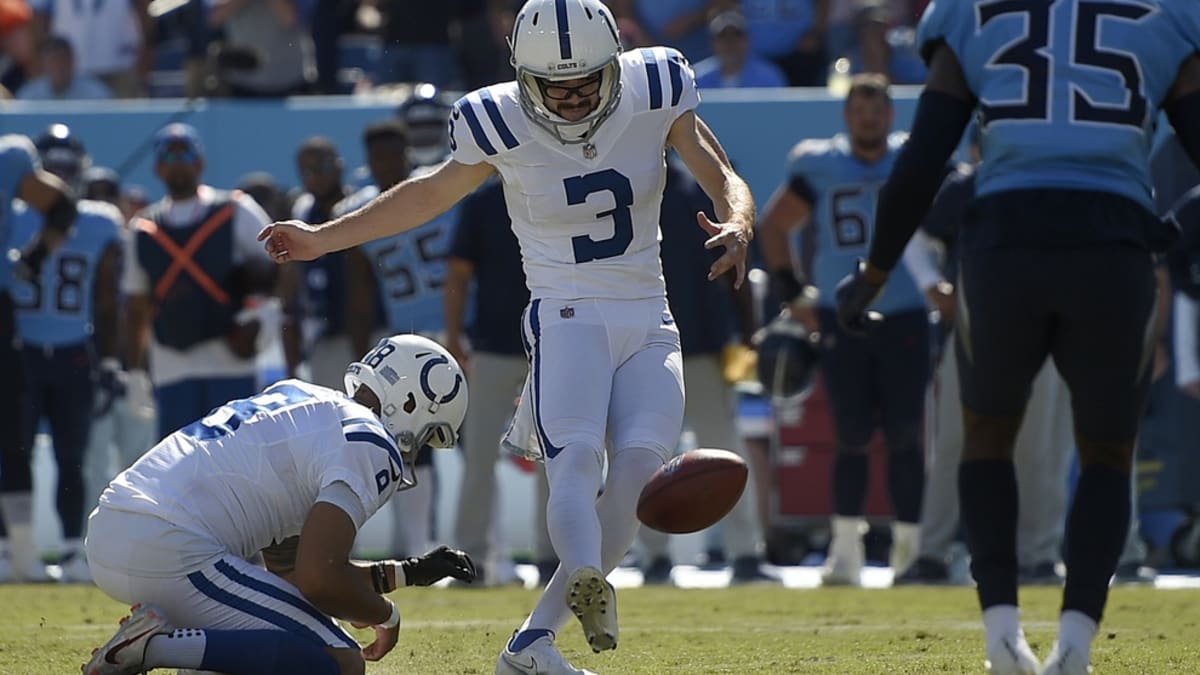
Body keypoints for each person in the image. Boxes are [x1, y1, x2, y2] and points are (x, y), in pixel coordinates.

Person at [258, 0, 754, 671]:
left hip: (648, 313)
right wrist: (323, 238)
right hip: (566, 314)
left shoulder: (656, 85)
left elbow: (721, 172)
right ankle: (585, 573)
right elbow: (427, 193)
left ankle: (532, 641)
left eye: (587, 83)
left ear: (613, 66)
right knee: (575, 461)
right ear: (525, 77)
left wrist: (739, 221)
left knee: (639, 472)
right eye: (558, 87)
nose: (575, 100)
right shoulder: (497, 121)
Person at [834, 2, 1200, 672]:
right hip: (1111, 243)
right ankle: (1076, 645)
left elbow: (924, 155)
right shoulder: (1169, 15)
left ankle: (1003, 635)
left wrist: (876, 272)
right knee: (1108, 451)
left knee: (987, 433)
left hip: (1005, 243)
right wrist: (1177, 226)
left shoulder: (970, 12)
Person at [81, 334, 476, 675]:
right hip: (172, 544)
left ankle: (187, 652)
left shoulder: (302, 396)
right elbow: (318, 579)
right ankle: (152, 647)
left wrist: (407, 572)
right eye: (426, 437)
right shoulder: (369, 440)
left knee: (270, 643)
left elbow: (289, 573)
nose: (416, 448)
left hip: (117, 527)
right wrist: (386, 615)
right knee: (340, 659)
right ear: (410, 405)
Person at [758, 73, 933, 586]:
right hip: (841, 313)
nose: (868, 118)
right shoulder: (822, 163)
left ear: (890, 115)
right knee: (850, 434)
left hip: (904, 310)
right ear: (847, 116)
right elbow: (775, 226)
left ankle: (909, 549)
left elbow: (950, 221)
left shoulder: (913, 158)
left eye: (876, 109)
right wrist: (794, 294)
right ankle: (845, 550)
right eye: (860, 110)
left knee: (906, 435)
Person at [638, 154, 770, 584]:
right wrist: (748, 331)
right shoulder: (695, 188)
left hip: (680, 344)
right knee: (706, 451)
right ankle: (734, 553)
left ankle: (734, 552)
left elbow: (739, 267)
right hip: (661, 345)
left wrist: (747, 331)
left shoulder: (689, 190)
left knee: (697, 452)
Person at [6, 125, 122, 584]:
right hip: (21, 347)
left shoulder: (100, 220)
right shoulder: (13, 214)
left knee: (71, 453)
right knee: (12, 450)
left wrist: (112, 361)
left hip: (74, 347)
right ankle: (13, 548)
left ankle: (73, 548)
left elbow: (110, 298)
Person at [125, 123, 278, 441]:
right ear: (157, 167)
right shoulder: (142, 231)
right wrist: (136, 371)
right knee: (181, 469)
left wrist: (262, 319)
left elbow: (277, 266)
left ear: (200, 161)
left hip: (230, 361)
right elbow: (137, 305)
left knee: (237, 461)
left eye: (186, 153)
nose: (178, 162)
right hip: (172, 364)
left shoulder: (236, 209)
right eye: (168, 155)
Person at [342, 119, 450, 560]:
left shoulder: (439, 189)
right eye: (377, 157)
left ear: (408, 153)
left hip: (457, 330)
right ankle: (417, 549)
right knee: (411, 445)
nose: (386, 164)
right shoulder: (360, 210)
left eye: (393, 154)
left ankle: (488, 553)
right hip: (406, 342)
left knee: (479, 446)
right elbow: (360, 291)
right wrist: (362, 354)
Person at [446, 175, 557, 586]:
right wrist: (455, 335)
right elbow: (458, 272)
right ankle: (468, 559)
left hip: (551, 340)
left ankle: (553, 554)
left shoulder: (551, 184)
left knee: (555, 455)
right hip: (494, 343)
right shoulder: (483, 202)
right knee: (478, 456)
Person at [0, 132, 77, 583]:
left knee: (11, 435)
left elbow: (61, 205)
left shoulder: (9, 156)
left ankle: (22, 551)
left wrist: (32, 257)